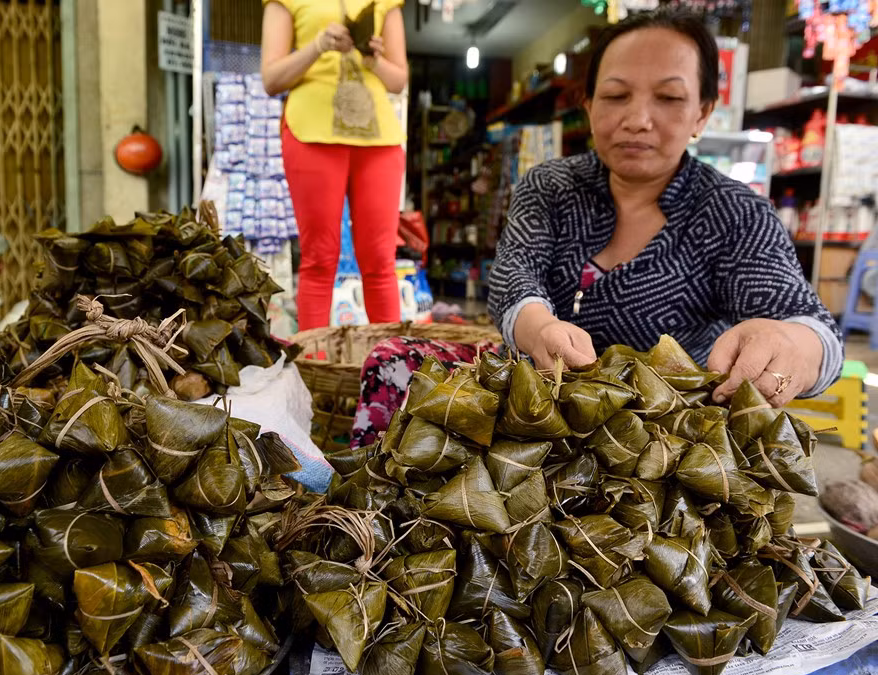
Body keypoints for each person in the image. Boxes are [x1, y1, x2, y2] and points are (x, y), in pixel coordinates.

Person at [351, 9, 843, 448]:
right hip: (533, 402)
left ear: (702, 112)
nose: (638, 118)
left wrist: (791, 344)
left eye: (670, 97)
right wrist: (538, 328)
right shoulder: (551, 185)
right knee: (394, 358)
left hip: (655, 437)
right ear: (587, 105)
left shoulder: (733, 211)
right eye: (615, 95)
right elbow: (514, 276)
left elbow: (811, 326)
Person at [261, 0, 408, 330]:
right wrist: (318, 46)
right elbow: (271, 79)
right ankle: (315, 371)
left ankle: (392, 367)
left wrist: (372, 59)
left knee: (381, 262)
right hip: (311, 133)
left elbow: (398, 81)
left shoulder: (388, 4)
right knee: (319, 259)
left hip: (378, 139)